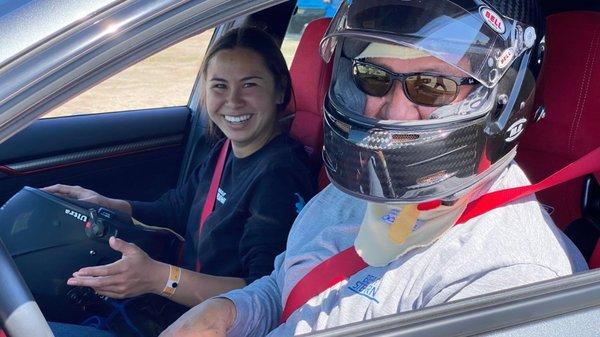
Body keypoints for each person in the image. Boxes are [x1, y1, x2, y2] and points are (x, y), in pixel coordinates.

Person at [159, 0, 588, 336]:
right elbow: (289, 282)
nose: (393, 114)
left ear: (501, 100)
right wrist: (229, 313)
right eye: (373, 76)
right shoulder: (361, 184)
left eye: (432, 86)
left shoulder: (510, 281)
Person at [43, 26, 315, 335]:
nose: (233, 101)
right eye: (219, 86)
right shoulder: (224, 150)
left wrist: (160, 279)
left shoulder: (280, 174)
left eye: (249, 84)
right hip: (176, 311)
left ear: (279, 90)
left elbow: (264, 293)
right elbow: (176, 208)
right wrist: (106, 204)